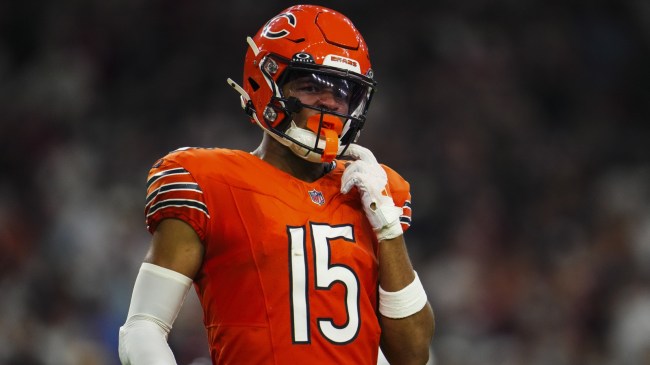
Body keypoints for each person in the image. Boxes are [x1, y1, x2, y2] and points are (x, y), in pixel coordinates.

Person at [118, 4, 434, 365]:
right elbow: (143, 327)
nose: (330, 101)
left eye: (344, 92)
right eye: (312, 85)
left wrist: (388, 227)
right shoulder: (208, 181)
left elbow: (413, 356)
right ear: (266, 82)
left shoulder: (370, 191)